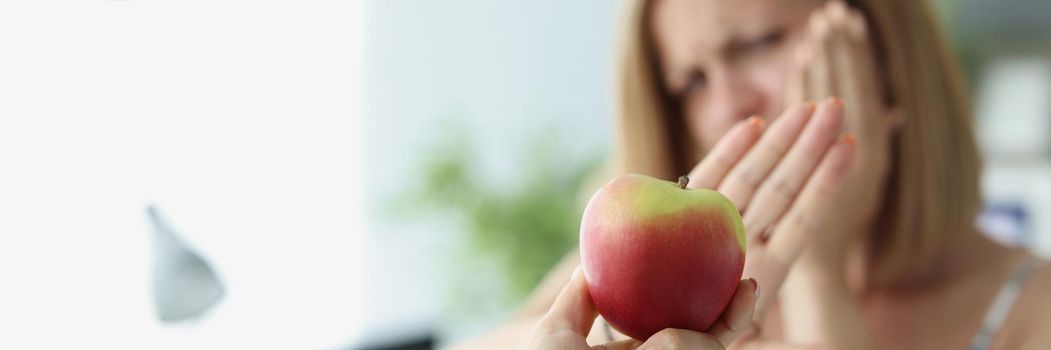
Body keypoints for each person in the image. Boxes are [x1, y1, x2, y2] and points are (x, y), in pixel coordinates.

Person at [454, 0, 1051, 349]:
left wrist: (822, 270)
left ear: (883, 46)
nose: (722, 108)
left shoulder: (1032, 309)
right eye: (691, 81)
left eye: (759, 42)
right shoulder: (642, 279)